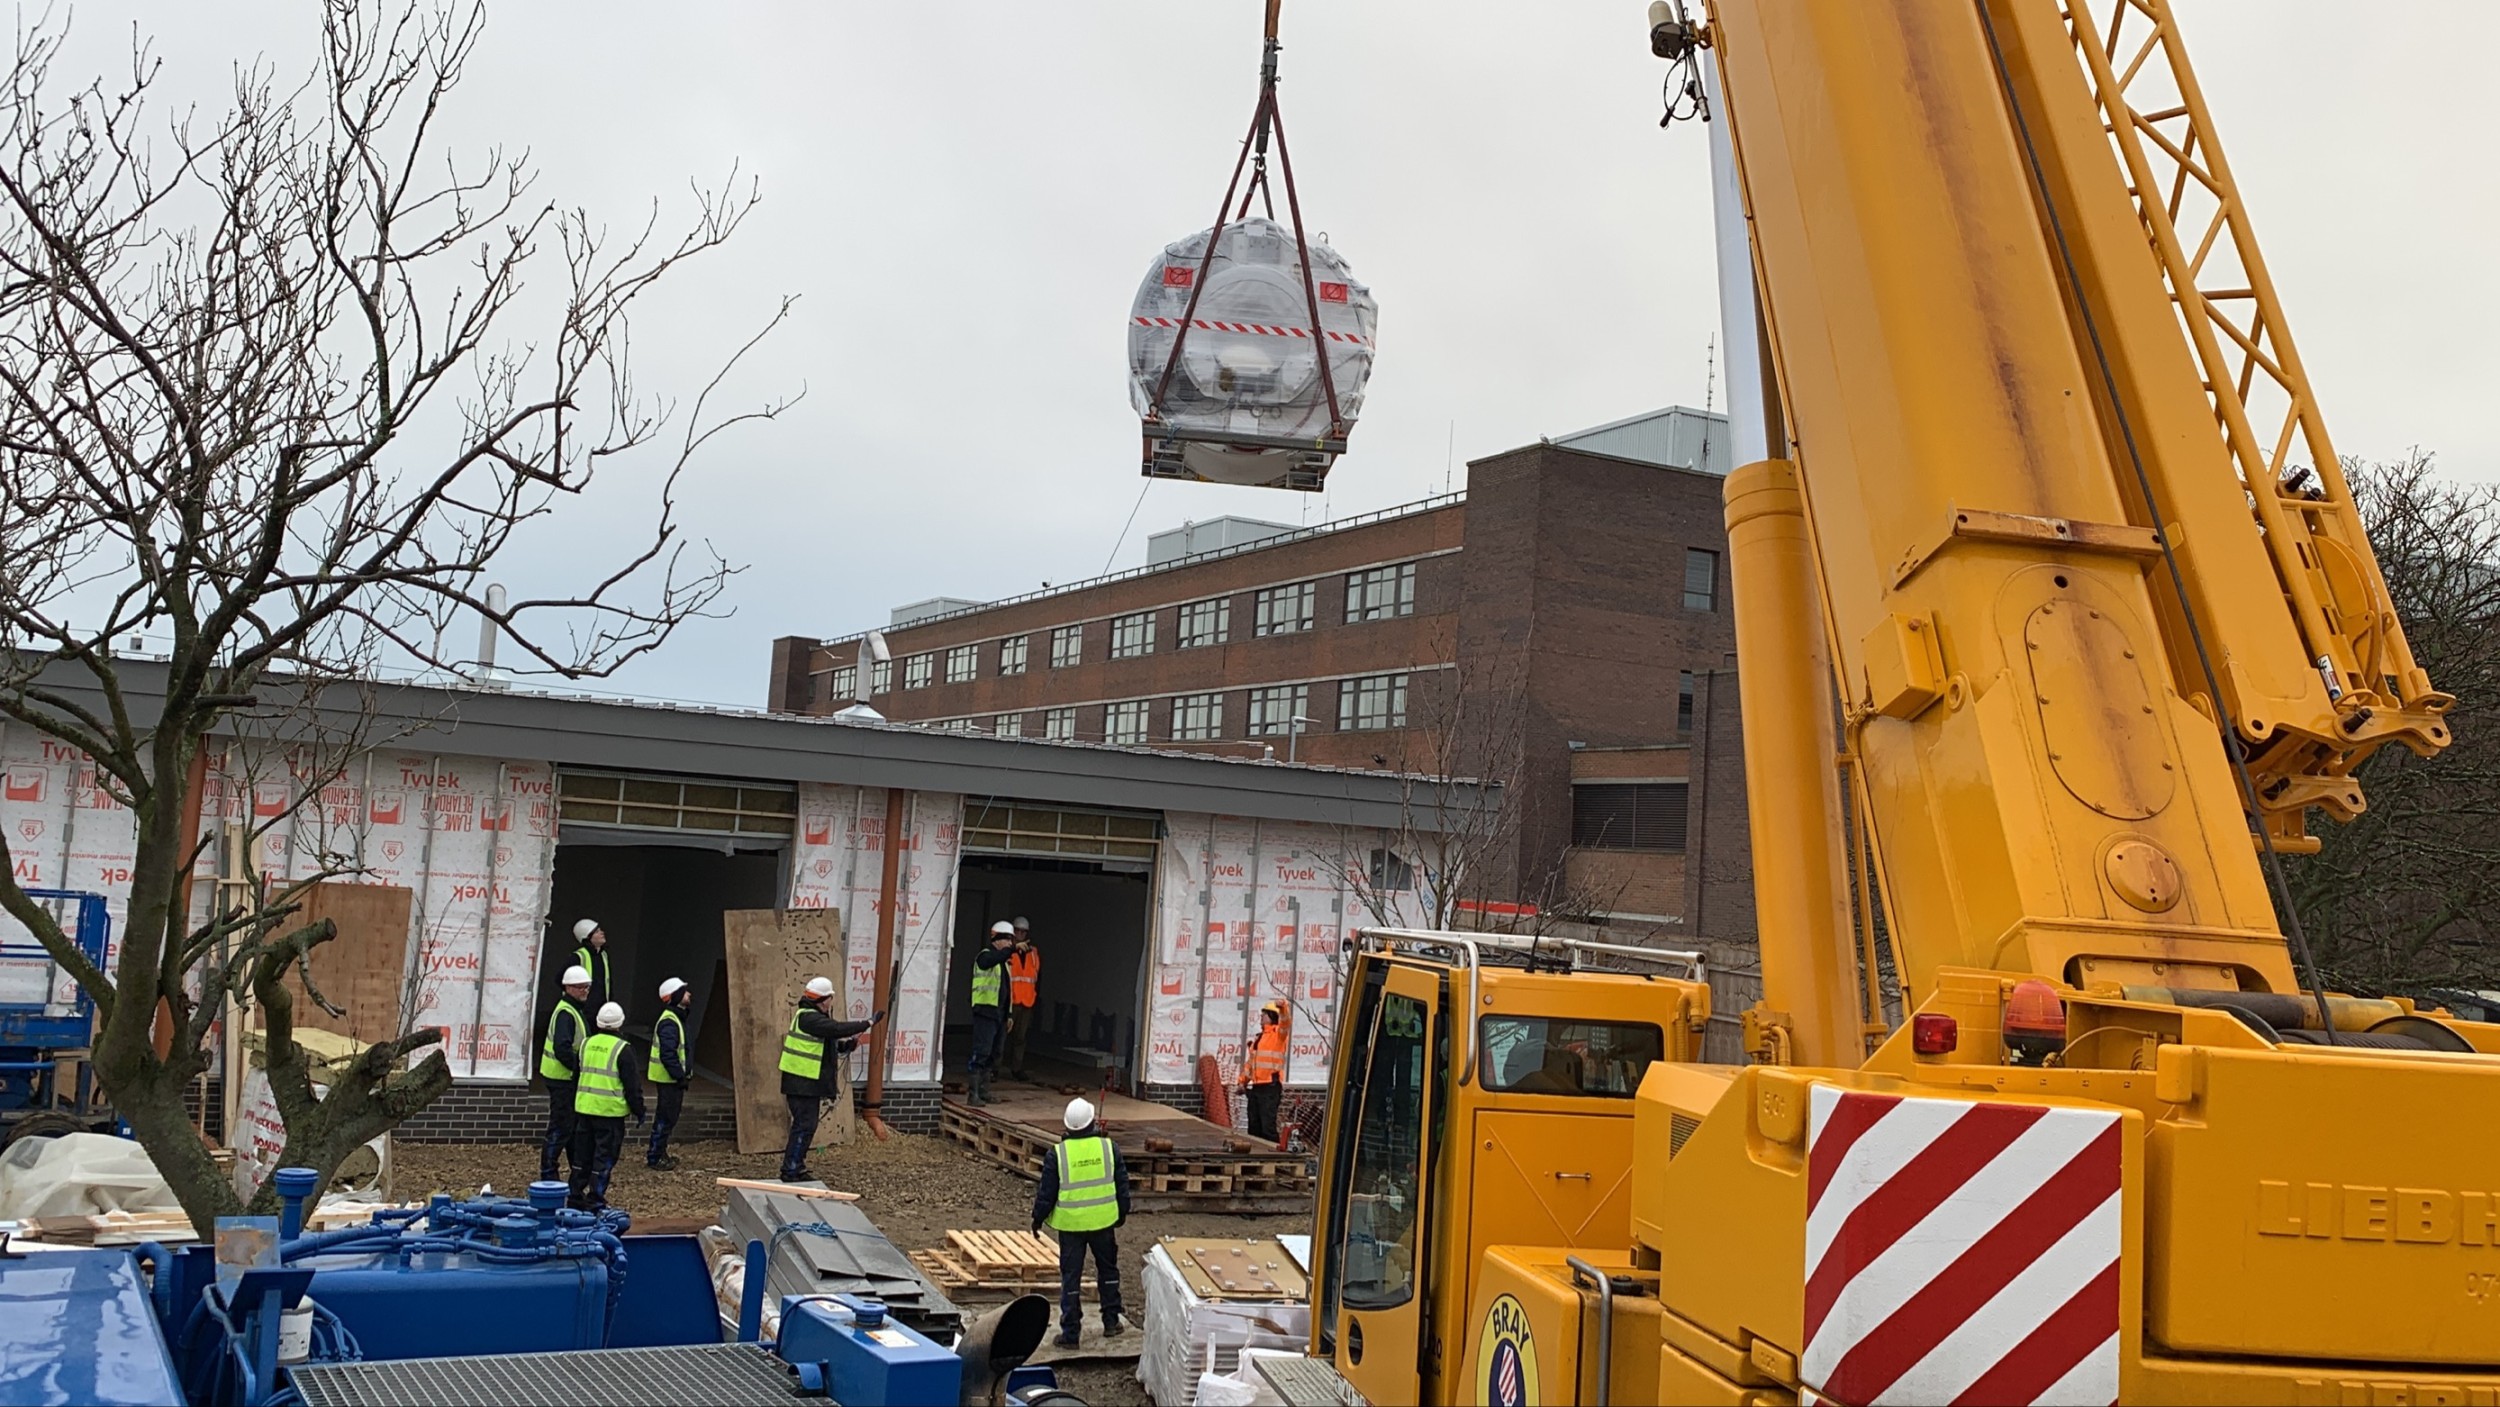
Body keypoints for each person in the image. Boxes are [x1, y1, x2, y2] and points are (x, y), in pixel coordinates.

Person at [1032, 1096, 1130, 1348]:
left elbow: (1047, 1192)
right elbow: (1122, 1186)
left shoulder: (1058, 1154)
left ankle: (1071, 1333)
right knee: (1108, 1271)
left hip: (1071, 1226)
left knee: (1071, 1278)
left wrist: (1037, 1218)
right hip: (1103, 1223)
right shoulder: (1109, 1148)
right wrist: (1122, 1213)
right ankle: (1111, 1321)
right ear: (1092, 1122)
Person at [779, 976, 881, 1184]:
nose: (830, 1003)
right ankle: (791, 1169)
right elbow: (834, 1029)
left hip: (806, 1084)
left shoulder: (811, 1019)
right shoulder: (809, 1018)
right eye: (830, 999)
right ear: (823, 1000)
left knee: (806, 1126)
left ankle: (795, 1167)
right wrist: (867, 1023)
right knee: (804, 1126)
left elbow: (826, 1044)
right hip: (802, 1083)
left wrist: (845, 1046)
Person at [569, 1001, 645, 1212]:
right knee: (603, 1158)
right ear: (620, 1023)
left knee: (581, 1156)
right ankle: (595, 1199)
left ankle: (575, 1196)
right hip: (609, 1115)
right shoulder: (623, 1049)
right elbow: (632, 1085)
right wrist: (639, 1111)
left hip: (584, 1110)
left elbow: (576, 1077)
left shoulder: (585, 1044)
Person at [538, 965, 594, 1184]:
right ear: (568, 988)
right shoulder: (566, 1013)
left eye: (586, 987)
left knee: (568, 1128)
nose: (585, 991)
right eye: (580, 987)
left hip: (564, 1078)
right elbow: (562, 1048)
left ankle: (573, 1171)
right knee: (560, 1128)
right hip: (562, 1079)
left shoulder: (571, 1010)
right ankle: (548, 1174)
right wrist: (579, 1069)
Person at [965, 922, 1016, 1106]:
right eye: (1007, 939)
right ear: (997, 939)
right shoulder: (985, 957)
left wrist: (1008, 1014)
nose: (1010, 943)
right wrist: (1012, 951)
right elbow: (990, 961)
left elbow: (1007, 990)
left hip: (999, 1015)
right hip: (985, 1012)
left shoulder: (1004, 963)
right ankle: (973, 1094)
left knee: (994, 1054)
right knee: (981, 1053)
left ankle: (984, 1092)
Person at [646, 976, 693, 1170]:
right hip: (669, 1080)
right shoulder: (670, 1022)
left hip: (670, 1079)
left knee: (668, 1117)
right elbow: (668, 1053)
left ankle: (659, 1152)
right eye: (685, 991)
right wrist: (679, 1076)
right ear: (677, 996)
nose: (690, 994)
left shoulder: (675, 1018)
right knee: (666, 1117)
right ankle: (655, 1156)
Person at [1241, 999, 1288, 1144]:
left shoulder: (1278, 1035)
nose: (1261, 1017)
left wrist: (1284, 1008)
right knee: (1254, 1126)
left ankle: (1274, 1157)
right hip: (1256, 1087)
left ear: (1272, 1016)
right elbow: (1250, 1064)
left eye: (1264, 1015)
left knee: (1267, 1126)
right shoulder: (1259, 1038)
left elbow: (1286, 1023)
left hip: (1270, 1087)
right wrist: (1242, 1082)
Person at [1004, 917, 1041, 1080]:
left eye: (1023, 931)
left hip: (1026, 1001)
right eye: (1017, 931)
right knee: (1003, 1035)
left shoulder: (1033, 953)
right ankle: (994, 1068)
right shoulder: (1007, 951)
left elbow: (1035, 976)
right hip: (1010, 1001)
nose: (1020, 934)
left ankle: (1016, 1069)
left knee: (1020, 1038)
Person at [571, 919, 613, 1012]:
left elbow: (607, 982)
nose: (602, 933)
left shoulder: (603, 955)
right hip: (584, 1009)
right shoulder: (578, 957)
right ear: (588, 937)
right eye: (597, 932)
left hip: (601, 1008)